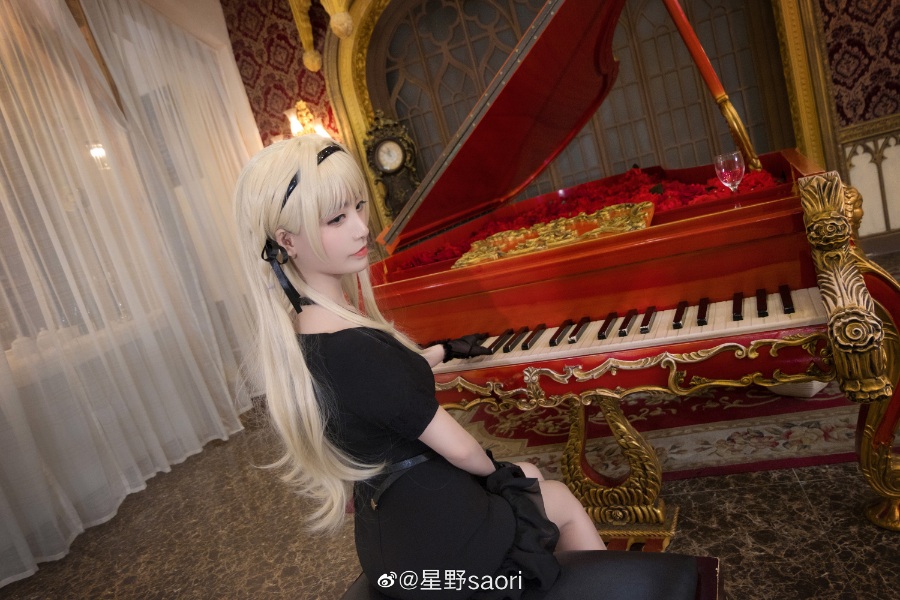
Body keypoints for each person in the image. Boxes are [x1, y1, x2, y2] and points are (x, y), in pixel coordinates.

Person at [233, 135, 605, 599]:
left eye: (358, 207)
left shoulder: (302, 334)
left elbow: (377, 392)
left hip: (390, 535)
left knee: (528, 472)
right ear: (287, 240)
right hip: (440, 544)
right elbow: (463, 450)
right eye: (336, 219)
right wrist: (500, 476)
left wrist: (441, 352)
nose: (361, 229)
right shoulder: (358, 348)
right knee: (557, 497)